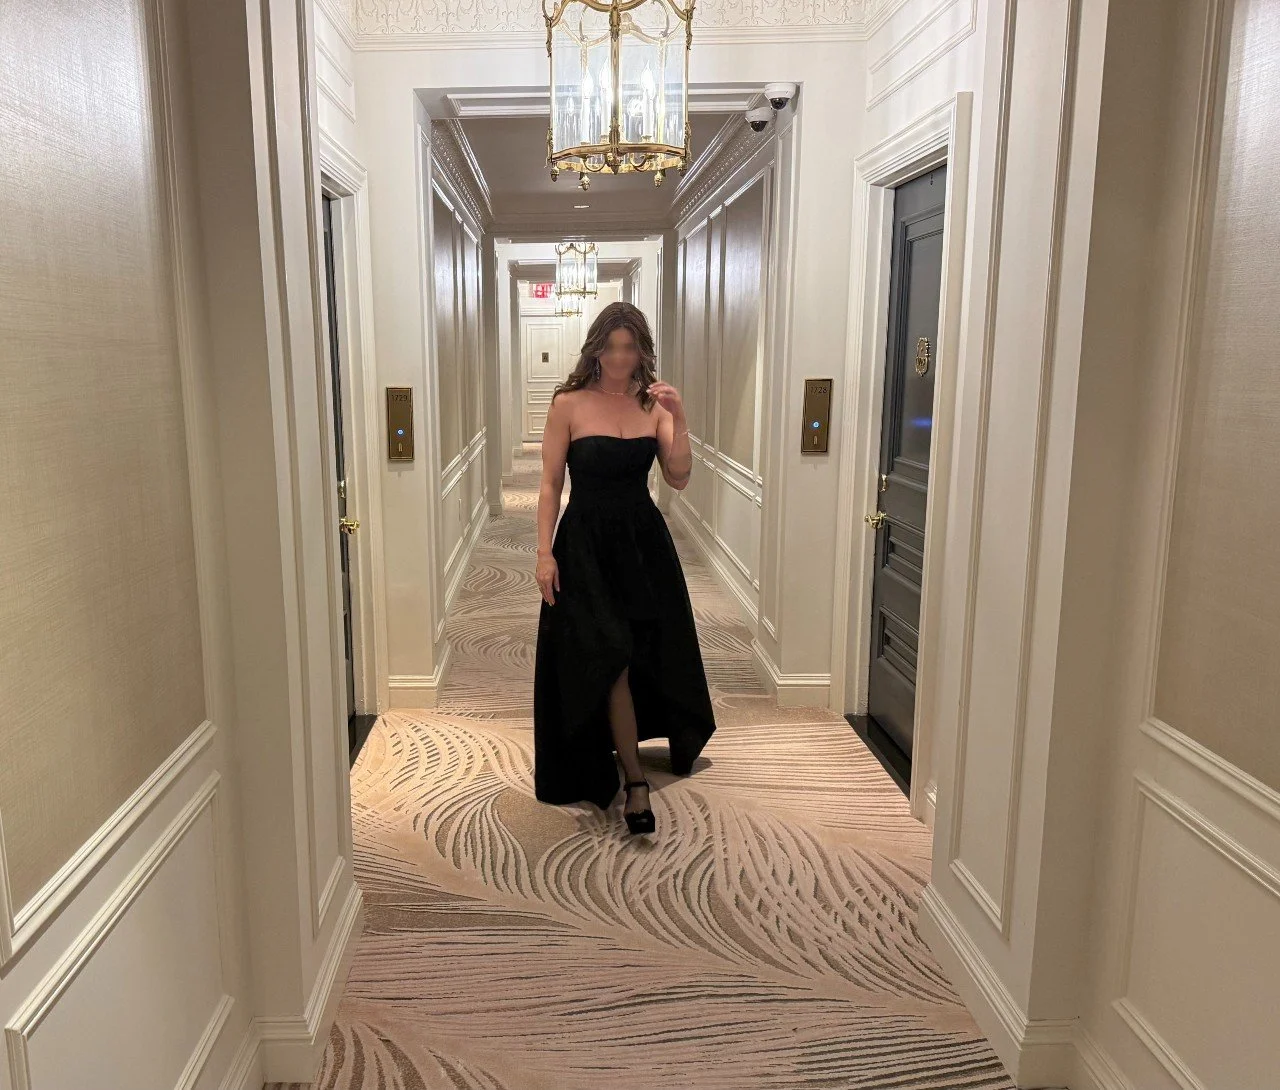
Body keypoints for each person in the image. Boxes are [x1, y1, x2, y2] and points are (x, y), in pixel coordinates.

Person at [532, 301, 717, 836]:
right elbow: (549, 485)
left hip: (642, 544)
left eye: (629, 346)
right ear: (595, 348)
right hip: (584, 544)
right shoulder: (568, 403)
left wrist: (680, 417)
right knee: (607, 653)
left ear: (642, 351)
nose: (619, 357)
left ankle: (622, 744)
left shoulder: (654, 405)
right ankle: (634, 779)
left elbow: (678, 477)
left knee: (639, 650)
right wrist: (544, 553)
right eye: (610, 346)